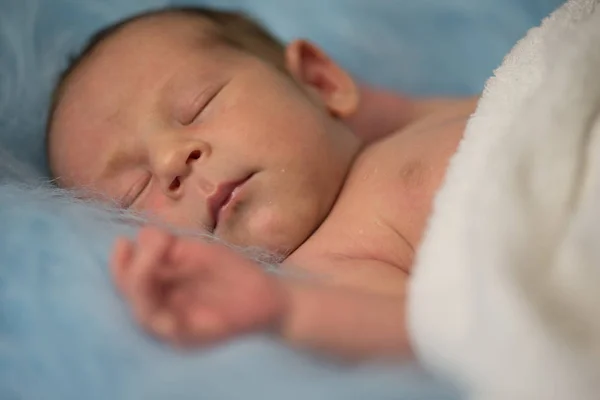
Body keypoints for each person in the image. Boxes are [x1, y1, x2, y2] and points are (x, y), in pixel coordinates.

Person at [46, 6, 478, 361]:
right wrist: (287, 311)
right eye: (134, 191)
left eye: (199, 105)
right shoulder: (331, 260)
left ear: (320, 81)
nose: (168, 160)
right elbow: (444, 335)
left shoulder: (421, 121)